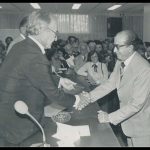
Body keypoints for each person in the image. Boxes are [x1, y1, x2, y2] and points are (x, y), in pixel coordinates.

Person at [0, 10, 77, 147]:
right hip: (19, 127)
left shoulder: (21, 46)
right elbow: (53, 94)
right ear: (44, 30)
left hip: (8, 118)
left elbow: (30, 75)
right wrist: (77, 100)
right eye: (55, 32)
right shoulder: (35, 55)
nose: (55, 38)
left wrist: (59, 80)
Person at [75, 30, 150, 147]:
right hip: (128, 122)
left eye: (118, 47)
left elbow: (136, 104)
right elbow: (111, 83)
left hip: (142, 127)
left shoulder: (144, 69)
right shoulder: (121, 61)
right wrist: (89, 97)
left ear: (130, 48)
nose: (114, 50)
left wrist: (109, 117)